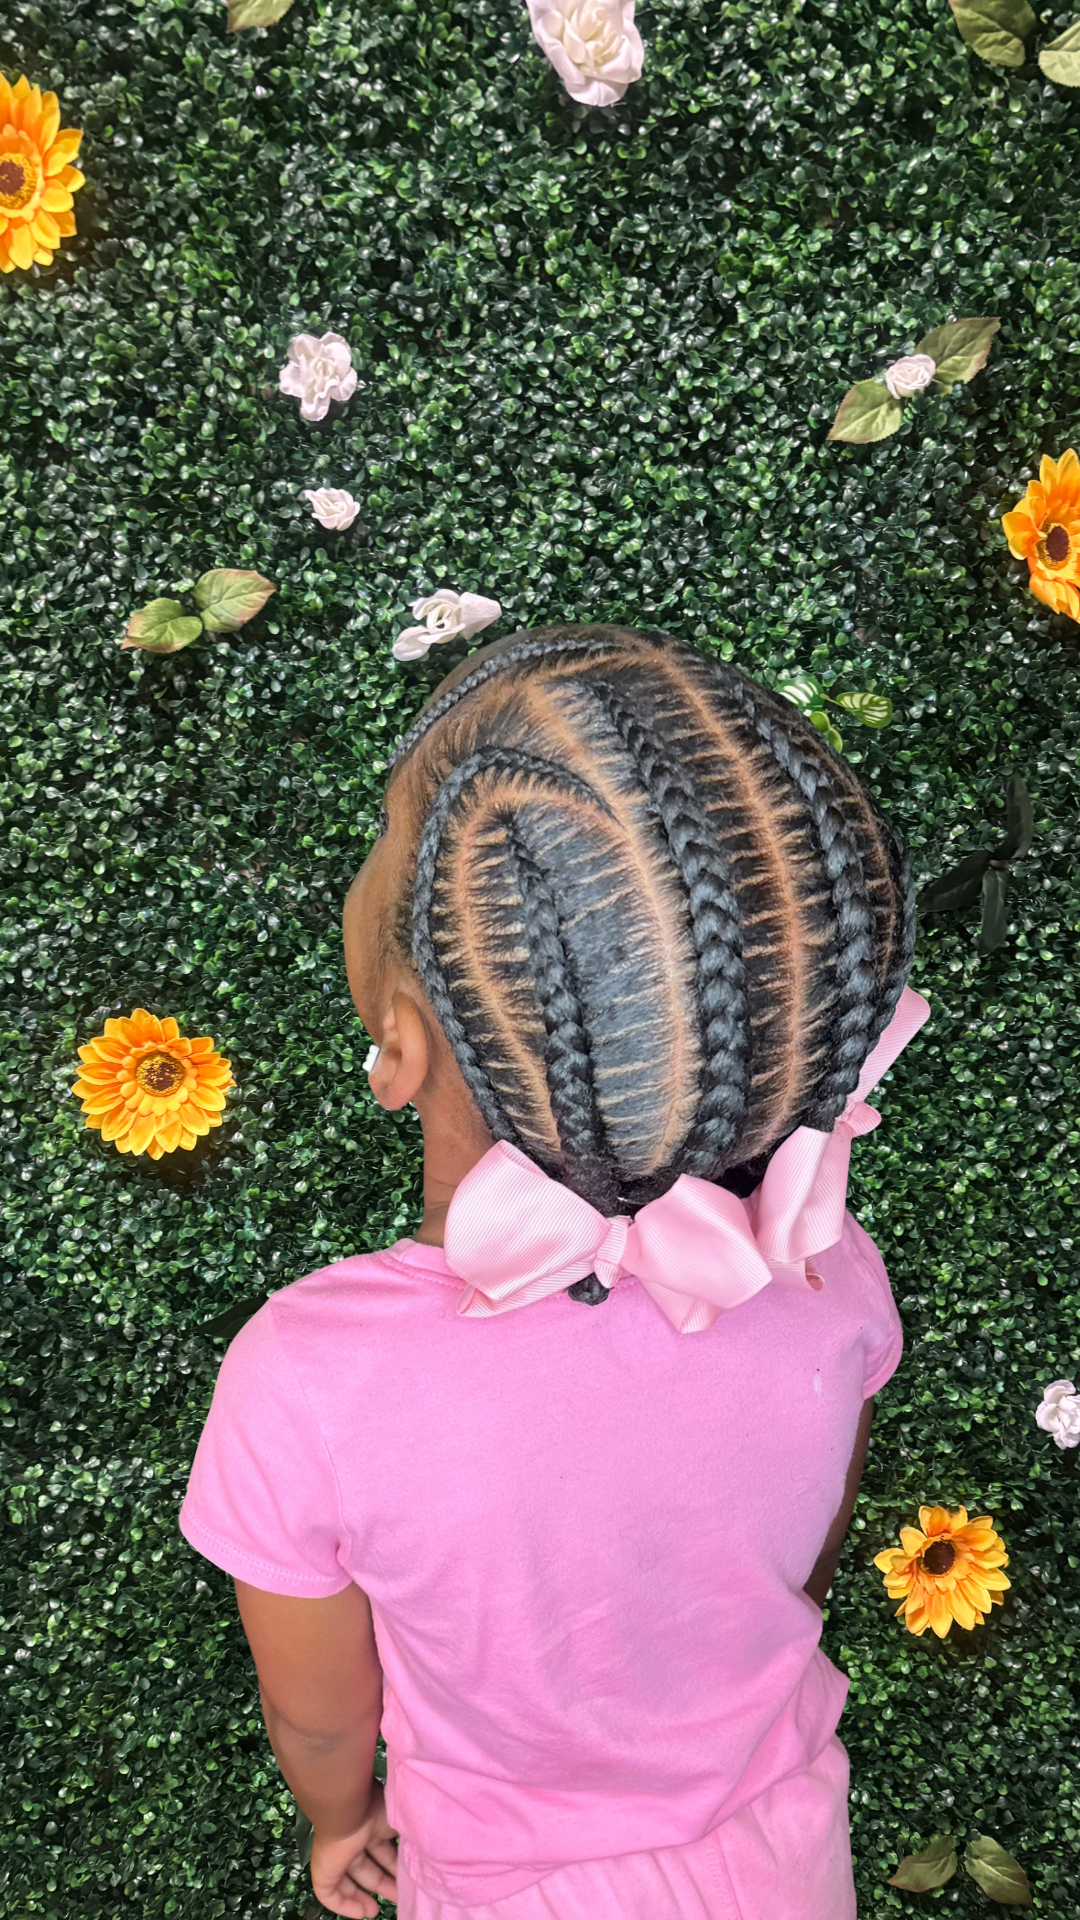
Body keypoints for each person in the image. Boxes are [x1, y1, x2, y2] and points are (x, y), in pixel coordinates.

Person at [179, 623, 930, 1920]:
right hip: (784, 1859)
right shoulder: (820, 1271)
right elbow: (803, 1559)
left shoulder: (307, 1378)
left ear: (401, 1047)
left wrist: (340, 1819)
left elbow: (317, 1711)